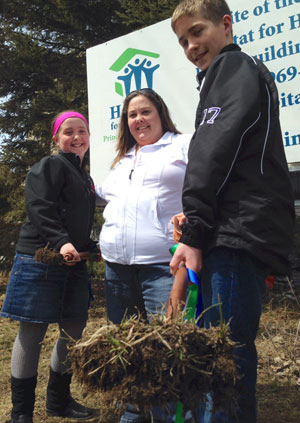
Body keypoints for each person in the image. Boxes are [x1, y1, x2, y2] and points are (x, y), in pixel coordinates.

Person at [169, 1, 295, 422]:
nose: (190, 46)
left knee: (225, 363)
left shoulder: (233, 67)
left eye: (197, 32)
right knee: (219, 359)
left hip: (236, 236)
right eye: (183, 40)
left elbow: (213, 151)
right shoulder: (227, 77)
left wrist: (195, 228)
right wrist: (199, 223)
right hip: (232, 231)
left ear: (226, 25)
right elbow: (231, 159)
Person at [95, 88, 192, 423]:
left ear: (161, 114)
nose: (138, 119)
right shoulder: (123, 160)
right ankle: (134, 413)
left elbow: (206, 190)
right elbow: (101, 197)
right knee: (127, 347)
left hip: (162, 268)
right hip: (117, 269)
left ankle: (165, 416)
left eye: (145, 112)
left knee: (165, 349)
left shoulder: (182, 146)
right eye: (132, 115)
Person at [0, 111, 98, 423]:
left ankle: (58, 402)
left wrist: (89, 245)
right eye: (68, 132)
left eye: (82, 131)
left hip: (73, 260)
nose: (77, 137)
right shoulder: (50, 165)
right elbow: (39, 208)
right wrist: (62, 242)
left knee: (73, 329)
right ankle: (21, 414)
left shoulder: (84, 175)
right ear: (56, 139)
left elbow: (78, 218)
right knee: (32, 332)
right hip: (40, 258)